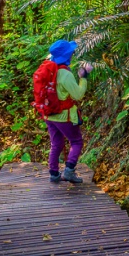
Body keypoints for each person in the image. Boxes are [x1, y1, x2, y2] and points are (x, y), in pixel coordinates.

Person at [43, 39, 91, 184]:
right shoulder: (64, 74)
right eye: (71, 53)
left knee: (56, 143)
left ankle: (54, 174)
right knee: (76, 141)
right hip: (64, 116)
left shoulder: (47, 68)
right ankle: (69, 172)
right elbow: (77, 95)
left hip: (49, 114)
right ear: (67, 55)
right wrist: (84, 78)